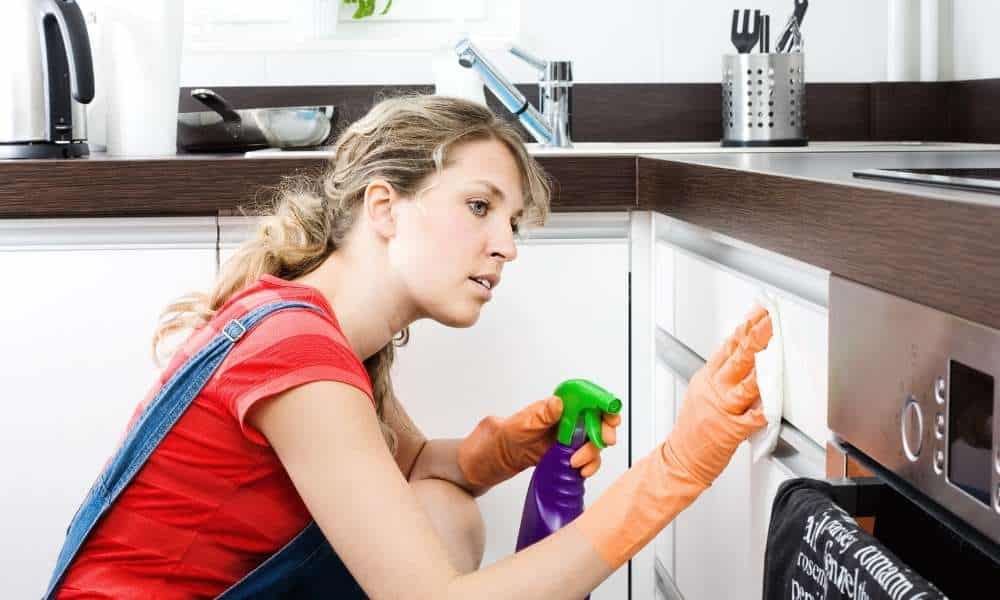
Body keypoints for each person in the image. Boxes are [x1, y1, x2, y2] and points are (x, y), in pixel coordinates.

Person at [46, 95, 771, 599]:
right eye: (481, 207)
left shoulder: (309, 324)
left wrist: (495, 453)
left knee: (442, 508)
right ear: (385, 207)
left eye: (512, 222)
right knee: (441, 531)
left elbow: (408, 466)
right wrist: (678, 466)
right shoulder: (299, 357)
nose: (507, 247)